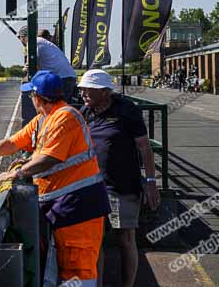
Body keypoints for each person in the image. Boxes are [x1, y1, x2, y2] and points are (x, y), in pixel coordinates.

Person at [0, 71, 110, 286]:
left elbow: (49, 158)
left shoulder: (65, 116)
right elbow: (13, 143)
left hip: (80, 207)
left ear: (38, 97)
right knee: (70, 267)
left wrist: (18, 172)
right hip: (65, 206)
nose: (30, 99)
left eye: (31, 95)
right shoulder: (44, 119)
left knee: (79, 270)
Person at [78, 69, 159, 287]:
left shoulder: (127, 110)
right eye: (82, 89)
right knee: (96, 243)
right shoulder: (85, 111)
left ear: (104, 92)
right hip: (93, 186)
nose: (84, 93)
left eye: (89, 89)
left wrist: (151, 183)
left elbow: (144, 147)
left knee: (125, 240)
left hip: (122, 187)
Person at [18, 25, 78, 101]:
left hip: (62, 78)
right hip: (65, 76)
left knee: (57, 106)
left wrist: (22, 73)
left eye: (20, 38)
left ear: (23, 37)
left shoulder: (32, 43)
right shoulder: (41, 41)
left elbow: (30, 64)